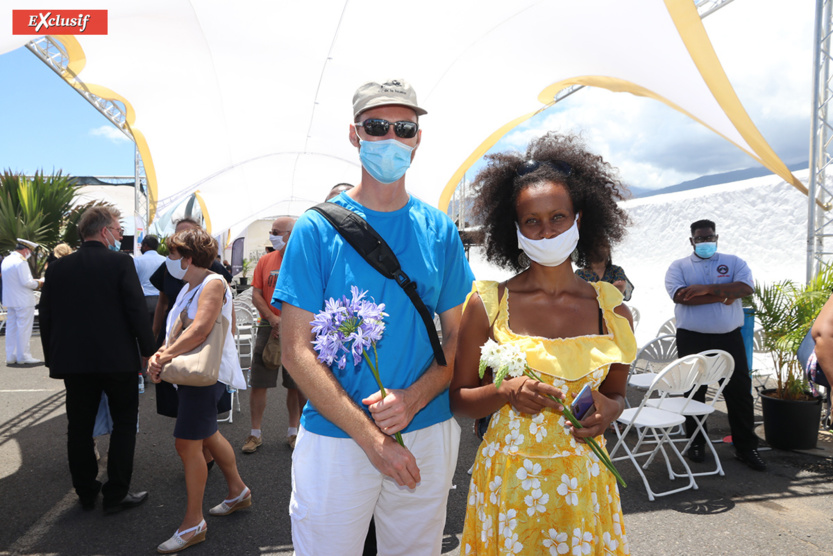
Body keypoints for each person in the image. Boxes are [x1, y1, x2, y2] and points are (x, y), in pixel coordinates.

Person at [274, 78, 475, 555]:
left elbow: (459, 336)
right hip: (338, 434)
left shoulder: (440, 229)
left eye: (404, 128)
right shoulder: (315, 229)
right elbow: (295, 350)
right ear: (354, 134)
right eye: (377, 126)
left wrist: (414, 396)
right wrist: (371, 438)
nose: (391, 139)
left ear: (418, 138)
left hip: (426, 427)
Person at [450, 132, 636, 554]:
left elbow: (617, 394)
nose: (546, 230)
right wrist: (503, 391)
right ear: (514, 229)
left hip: (584, 482)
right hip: (510, 484)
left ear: (579, 220)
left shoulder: (613, 310)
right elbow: (458, 399)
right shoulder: (488, 305)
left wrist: (609, 410)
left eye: (558, 217)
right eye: (532, 221)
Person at [39, 206, 155, 512]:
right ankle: (116, 493)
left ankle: (86, 492)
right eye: (118, 230)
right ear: (104, 232)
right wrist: (149, 350)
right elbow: (136, 311)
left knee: (78, 427)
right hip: (118, 360)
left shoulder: (59, 268)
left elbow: (47, 316)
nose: (119, 235)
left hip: (73, 363)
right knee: (124, 424)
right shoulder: (120, 262)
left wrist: (53, 359)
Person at [148, 227, 250, 554]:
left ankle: (194, 523)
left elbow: (201, 328)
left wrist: (163, 356)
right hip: (196, 376)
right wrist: (162, 353)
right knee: (207, 435)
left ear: (188, 258)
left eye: (173, 254)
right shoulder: (191, 285)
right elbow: (181, 329)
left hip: (205, 377)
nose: (169, 259)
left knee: (186, 443)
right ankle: (238, 491)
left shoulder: (212, 283)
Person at [665, 219, 765, 471]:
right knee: (692, 391)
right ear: (691, 241)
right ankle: (696, 443)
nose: (706, 242)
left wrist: (704, 289)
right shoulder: (679, 266)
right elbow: (681, 297)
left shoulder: (733, 262)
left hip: (729, 338)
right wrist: (724, 295)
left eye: (710, 238)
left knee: (739, 392)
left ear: (716, 237)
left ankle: (746, 447)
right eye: (700, 239)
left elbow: (745, 288)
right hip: (691, 337)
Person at [241, 216, 305, 453]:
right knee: (259, 382)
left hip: (297, 330)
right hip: (268, 328)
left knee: (296, 385)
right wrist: (272, 317)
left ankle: (294, 432)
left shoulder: (304, 260)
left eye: (277, 232)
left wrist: (288, 321)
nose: (272, 235)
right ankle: (254, 433)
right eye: (272, 231)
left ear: (291, 234)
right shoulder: (266, 260)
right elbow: (256, 293)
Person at [2, 241, 43, 365]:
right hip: (23, 300)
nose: (29, 254)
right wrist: (40, 282)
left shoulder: (7, 259)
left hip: (11, 300)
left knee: (11, 328)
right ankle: (24, 356)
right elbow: (27, 282)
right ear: (26, 250)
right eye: (29, 252)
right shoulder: (21, 261)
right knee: (24, 329)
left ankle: (11, 355)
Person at [134, 235, 166, 321]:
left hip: (144, 300)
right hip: (161, 299)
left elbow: (133, 281)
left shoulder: (137, 261)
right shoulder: (164, 260)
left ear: (145, 246)